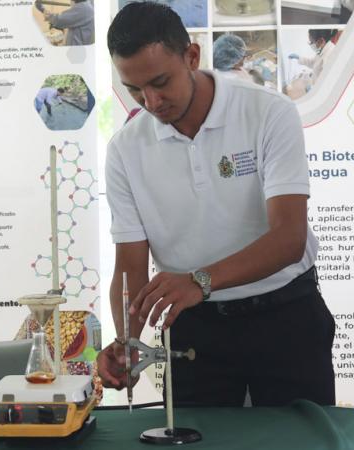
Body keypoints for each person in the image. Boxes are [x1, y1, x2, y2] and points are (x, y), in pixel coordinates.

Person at [98, 3, 335, 407]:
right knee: (195, 438)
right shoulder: (125, 150)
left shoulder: (267, 112)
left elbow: (289, 238)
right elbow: (131, 266)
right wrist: (127, 340)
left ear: (192, 56)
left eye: (160, 82)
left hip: (286, 315)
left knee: (302, 439)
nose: (151, 102)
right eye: (135, 89)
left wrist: (198, 281)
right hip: (194, 330)